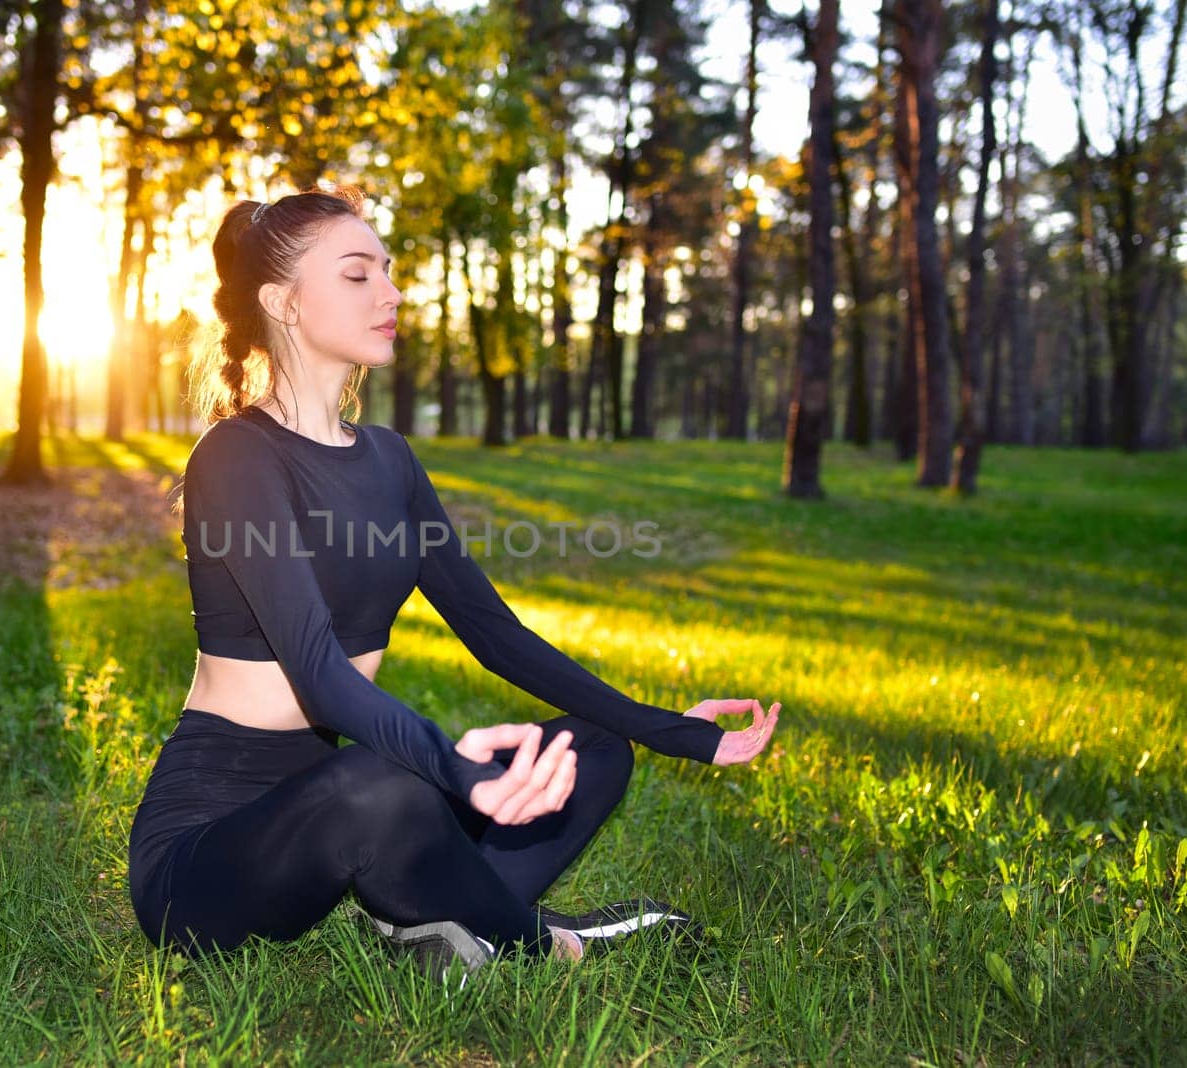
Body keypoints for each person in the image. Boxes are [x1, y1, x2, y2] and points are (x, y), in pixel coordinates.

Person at [126, 185, 781, 981]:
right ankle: (552, 941)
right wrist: (458, 772)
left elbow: (494, 633)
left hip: (352, 800)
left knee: (595, 751)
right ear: (284, 303)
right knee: (381, 782)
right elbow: (322, 677)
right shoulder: (236, 456)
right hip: (212, 845)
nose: (393, 292)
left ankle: (431, 924)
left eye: (390, 271)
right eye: (358, 274)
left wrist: (676, 730)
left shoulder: (391, 459)